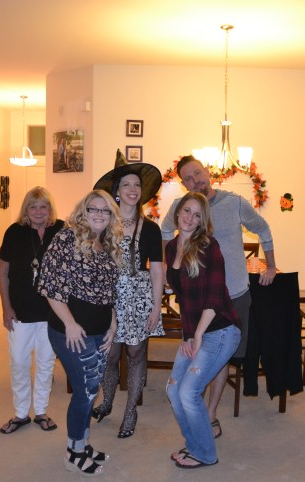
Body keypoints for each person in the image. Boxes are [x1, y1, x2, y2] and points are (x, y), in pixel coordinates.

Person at [161, 154, 277, 438]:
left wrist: (272, 265)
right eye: (187, 179)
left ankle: (210, 414)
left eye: (197, 173)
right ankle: (195, 408)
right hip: (196, 298)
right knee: (197, 354)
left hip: (233, 294)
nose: (194, 180)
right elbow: (165, 230)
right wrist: (167, 266)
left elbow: (263, 228)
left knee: (222, 358)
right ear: (183, 184)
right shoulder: (181, 207)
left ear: (207, 171)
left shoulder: (234, 202)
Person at [37, 189, 122, 477]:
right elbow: (49, 285)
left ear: (111, 216)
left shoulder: (107, 243)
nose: (99, 214)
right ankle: (73, 453)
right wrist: (71, 324)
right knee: (85, 392)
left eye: (105, 210)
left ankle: (82, 444)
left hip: (100, 332)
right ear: (83, 211)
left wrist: (113, 323)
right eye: (93, 209)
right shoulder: (66, 238)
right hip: (70, 331)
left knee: (90, 390)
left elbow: (109, 292)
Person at [165, 192, 241, 469]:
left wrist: (197, 335)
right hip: (194, 330)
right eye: (187, 211)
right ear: (178, 212)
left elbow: (214, 295)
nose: (190, 218)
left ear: (202, 221)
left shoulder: (209, 246)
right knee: (173, 390)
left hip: (220, 330)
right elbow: (184, 300)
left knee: (189, 392)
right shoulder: (171, 248)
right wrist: (188, 335)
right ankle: (195, 445)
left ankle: (206, 453)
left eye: (197, 215)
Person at [91, 150, 165, 438]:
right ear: (117, 191)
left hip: (139, 297)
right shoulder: (104, 224)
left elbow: (157, 270)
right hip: (108, 298)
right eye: (126, 185)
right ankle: (108, 400)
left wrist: (156, 307)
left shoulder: (152, 229)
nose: (133, 189)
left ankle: (131, 410)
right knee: (109, 354)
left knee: (136, 353)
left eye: (137, 184)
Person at [0, 186, 64, 434]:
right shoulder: (14, 232)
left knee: (46, 362)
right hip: (20, 311)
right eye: (33, 206)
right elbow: (2, 273)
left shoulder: (61, 230)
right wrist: (6, 307)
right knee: (19, 362)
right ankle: (21, 413)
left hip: (51, 312)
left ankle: (42, 412)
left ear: (50, 209)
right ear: (25, 209)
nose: (38, 211)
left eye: (43, 206)